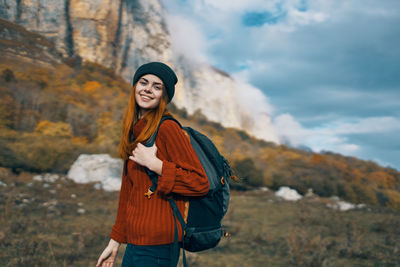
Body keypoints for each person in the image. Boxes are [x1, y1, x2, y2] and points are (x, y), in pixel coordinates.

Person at [96, 62, 209, 267]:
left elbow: (200, 182)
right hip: (136, 242)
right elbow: (128, 193)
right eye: (143, 82)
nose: (148, 89)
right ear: (135, 87)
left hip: (159, 245)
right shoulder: (135, 131)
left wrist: (156, 165)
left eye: (157, 86)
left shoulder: (167, 129)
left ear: (163, 97)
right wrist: (115, 241)